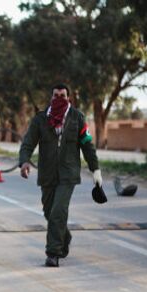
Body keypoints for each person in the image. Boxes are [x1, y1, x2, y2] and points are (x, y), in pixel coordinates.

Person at [19, 84, 101, 267]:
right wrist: (24, 161)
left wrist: (95, 170)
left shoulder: (77, 118)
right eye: (55, 95)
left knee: (58, 211)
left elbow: (87, 145)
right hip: (47, 173)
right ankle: (65, 236)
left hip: (68, 174)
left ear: (68, 97)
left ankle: (53, 253)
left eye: (62, 95)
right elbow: (28, 142)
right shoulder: (40, 119)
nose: (59, 99)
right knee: (49, 211)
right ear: (50, 97)